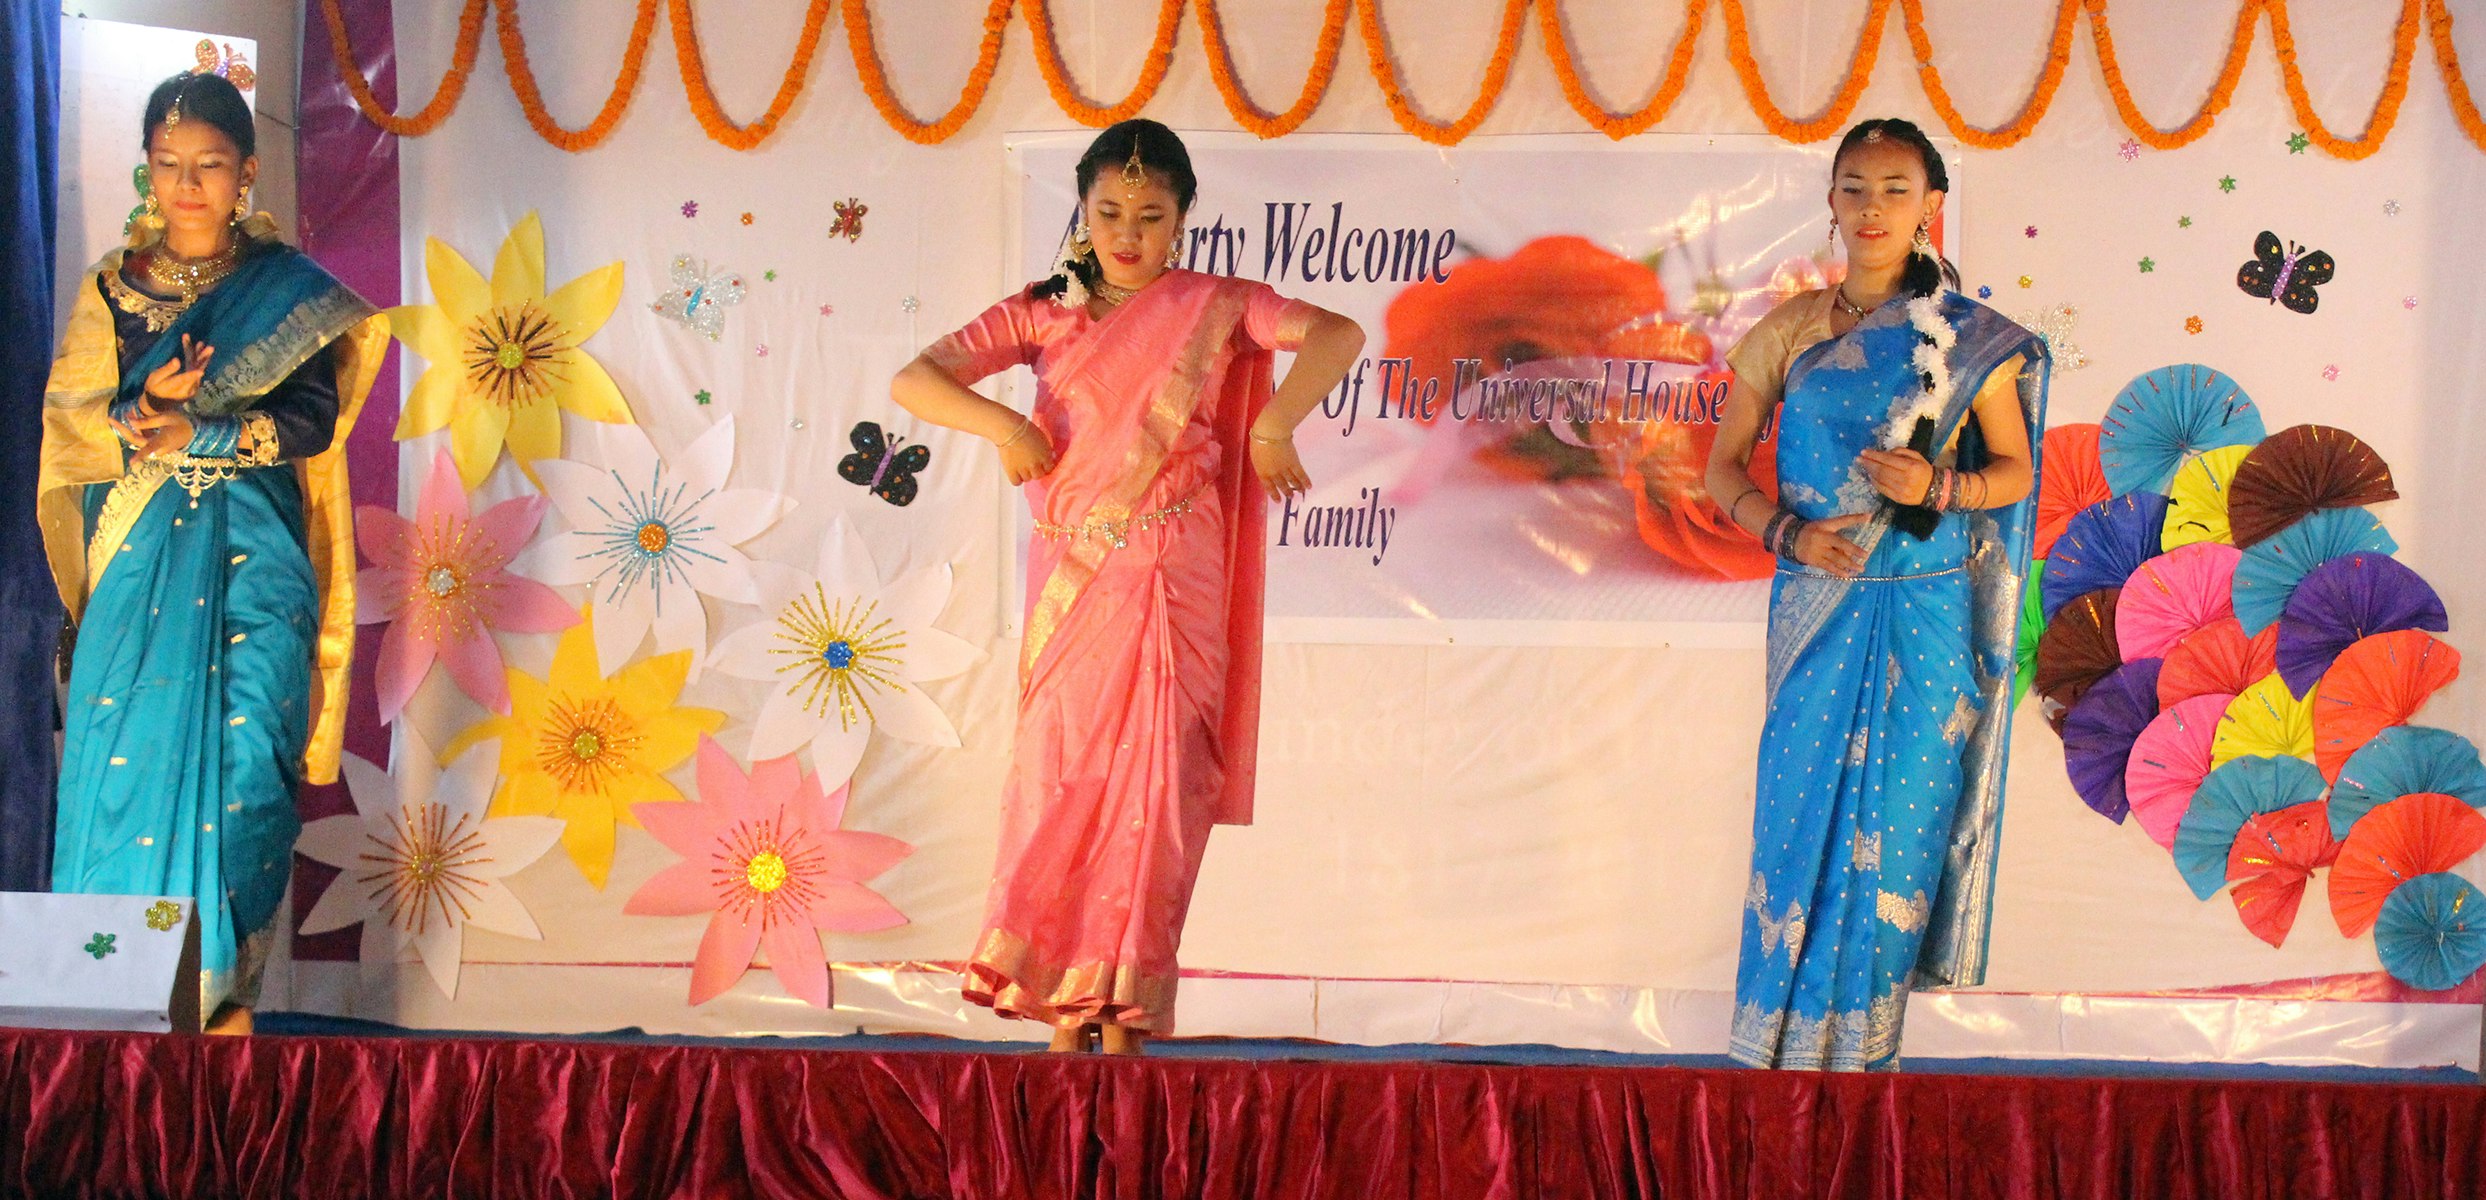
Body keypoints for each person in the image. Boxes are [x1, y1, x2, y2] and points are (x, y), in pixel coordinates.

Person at [892, 119, 1364, 1055]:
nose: (1127, 232)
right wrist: (1001, 426)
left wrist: (1273, 427)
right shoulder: (1043, 309)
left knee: (1159, 786)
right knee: (1061, 778)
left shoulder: (1218, 304)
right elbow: (918, 378)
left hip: (1171, 576)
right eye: (1109, 210)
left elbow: (1338, 333)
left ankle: (1125, 1017)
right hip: (1074, 578)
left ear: (1184, 218)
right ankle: (1066, 1012)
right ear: (1083, 209)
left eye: (1151, 214)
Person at [38, 73, 386, 1035]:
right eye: (170, 166)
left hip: (257, 558)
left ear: (246, 173)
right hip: (138, 561)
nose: (188, 185)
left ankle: (218, 997)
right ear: (148, 171)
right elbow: (72, 430)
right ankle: (108, 1004)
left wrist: (201, 431)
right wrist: (147, 414)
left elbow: (310, 423)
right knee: (120, 763)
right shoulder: (110, 291)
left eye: (211, 166)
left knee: (246, 773)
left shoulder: (290, 296)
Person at [1701, 118, 2049, 1071]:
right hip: (1819, 604)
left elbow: (2015, 471)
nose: (1873, 208)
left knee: (1900, 826)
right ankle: (1776, 1040)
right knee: (1798, 812)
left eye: (1897, 188)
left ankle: (1867, 1052)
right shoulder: (1788, 330)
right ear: (1830, 202)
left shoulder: (1970, 340)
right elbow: (1721, 468)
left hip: (1928, 609)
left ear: (1932, 206)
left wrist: (1939, 489)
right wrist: (1789, 532)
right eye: (1855, 186)